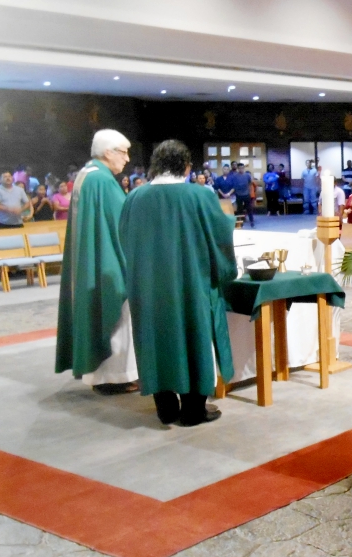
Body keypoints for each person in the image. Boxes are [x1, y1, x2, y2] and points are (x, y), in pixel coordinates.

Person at [119, 140, 234, 426]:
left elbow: (124, 241)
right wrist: (224, 272)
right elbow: (220, 238)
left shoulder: (134, 198)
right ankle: (194, 411)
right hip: (189, 284)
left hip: (147, 287)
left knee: (155, 341)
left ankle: (166, 409)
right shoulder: (198, 196)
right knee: (192, 338)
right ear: (185, 166)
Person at [55, 129, 139, 396]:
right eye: (123, 153)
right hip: (107, 260)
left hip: (92, 258)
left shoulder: (86, 174)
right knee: (117, 314)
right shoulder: (102, 180)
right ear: (107, 152)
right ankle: (114, 377)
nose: (126, 159)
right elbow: (124, 221)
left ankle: (103, 375)